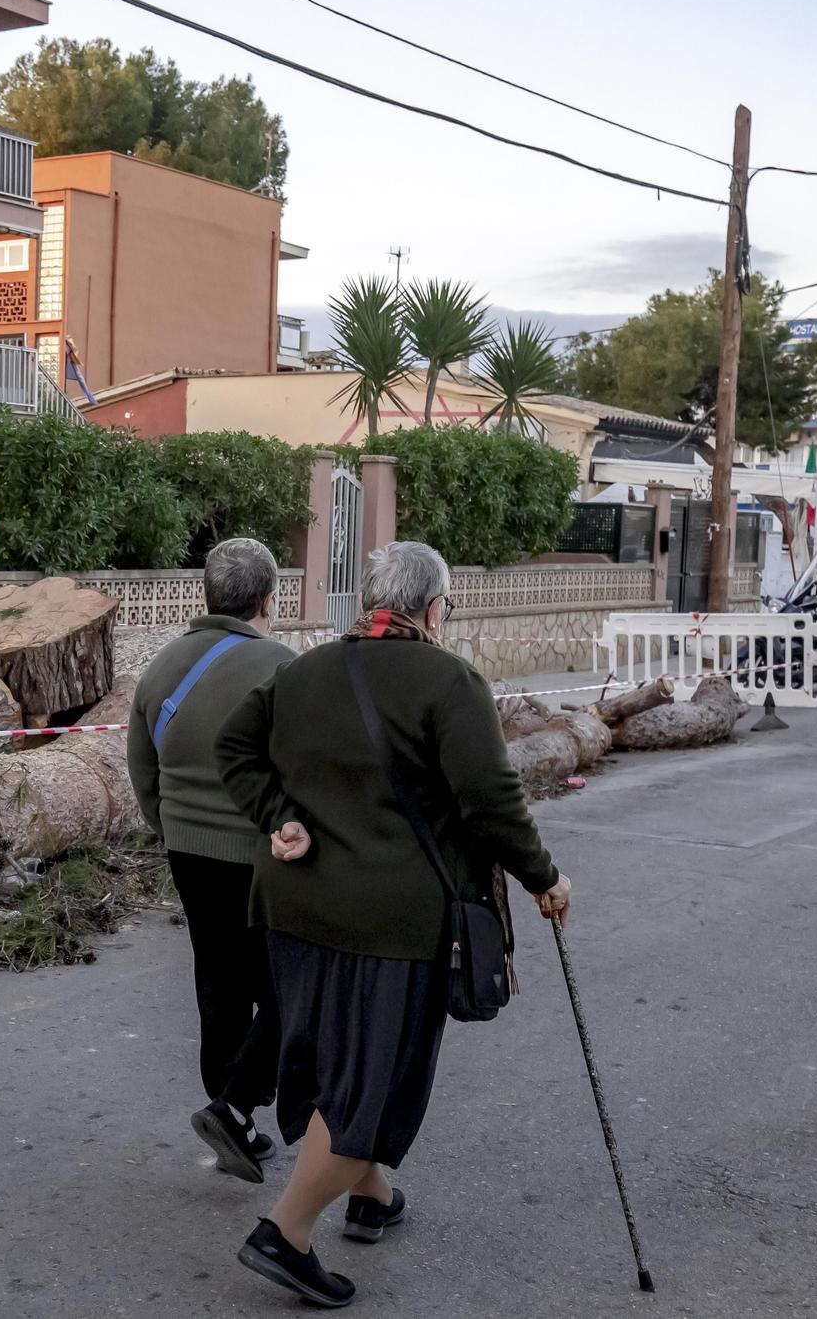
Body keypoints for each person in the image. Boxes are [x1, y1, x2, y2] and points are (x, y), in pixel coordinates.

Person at [214, 540, 574, 1308]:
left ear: (370, 598)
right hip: (393, 923)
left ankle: (371, 1193)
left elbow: (233, 744)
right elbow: (490, 802)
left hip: (293, 908)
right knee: (372, 1083)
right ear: (435, 606)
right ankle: (286, 1230)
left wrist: (278, 815)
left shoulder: (301, 671)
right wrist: (545, 877)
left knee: (324, 1062)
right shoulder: (450, 680)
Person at [126, 538, 296, 1183]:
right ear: (268, 598)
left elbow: (143, 767)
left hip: (186, 849)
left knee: (219, 983)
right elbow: (298, 767)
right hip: (262, 856)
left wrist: (170, 825)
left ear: (207, 593)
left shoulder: (164, 664)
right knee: (287, 986)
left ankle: (237, 1122)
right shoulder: (280, 664)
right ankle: (237, 1106)